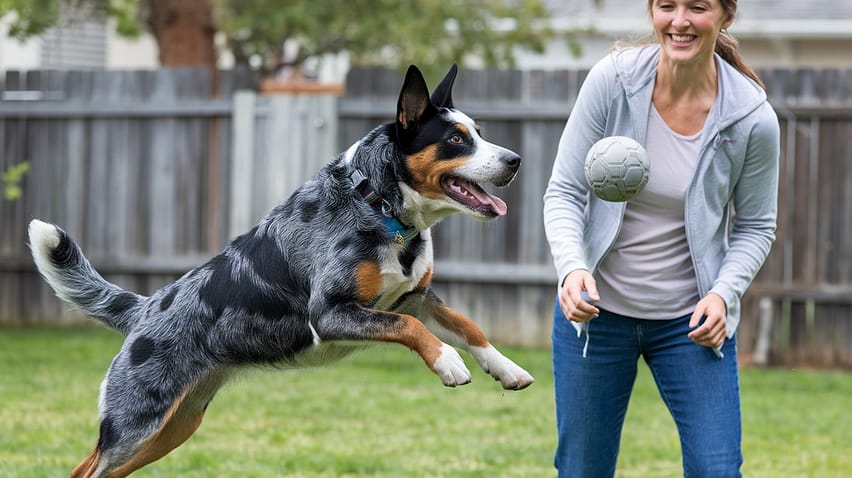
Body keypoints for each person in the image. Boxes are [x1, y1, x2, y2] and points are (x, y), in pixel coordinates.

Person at [542, 0, 780, 476]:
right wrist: (572, 267)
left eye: (697, 7)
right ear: (651, 11)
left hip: (690, 323)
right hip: (598, 316)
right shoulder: (614, 81)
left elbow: (756, 226)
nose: (680, 20)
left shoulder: (751, 117)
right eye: (666, 5)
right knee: (582, 469)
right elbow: (564, 192)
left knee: (717, 470)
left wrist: (722, 294)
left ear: (725, 16)